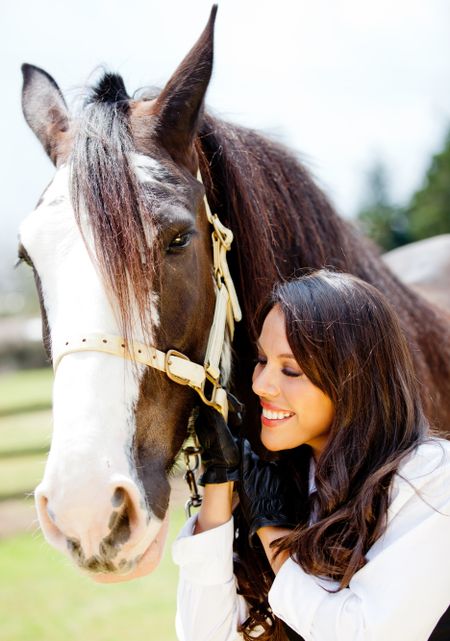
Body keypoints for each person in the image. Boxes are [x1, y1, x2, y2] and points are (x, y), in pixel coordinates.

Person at [172, 269, 450, 641]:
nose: (260, 384)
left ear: (353, 379)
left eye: (290, 369)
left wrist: (272, 531)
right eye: (261, 360)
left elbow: (365, 633)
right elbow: (205, 636)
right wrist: (219, 489)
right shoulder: (280, 476)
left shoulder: (430, 476)